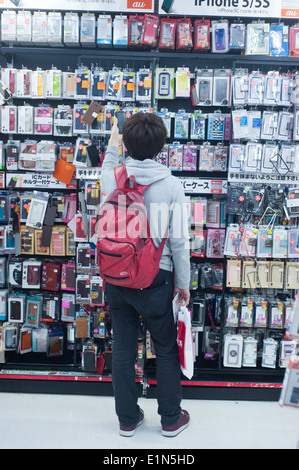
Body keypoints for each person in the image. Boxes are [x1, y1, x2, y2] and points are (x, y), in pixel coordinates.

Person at [100, 112, 191, 438]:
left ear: (126, 142)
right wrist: (184, 284)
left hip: (117, 276)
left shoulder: (112, 177)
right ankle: (170, 419)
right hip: (156, 279)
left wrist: (113, 141)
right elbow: (180, 241)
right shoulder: (171, 185)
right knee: (165, 348)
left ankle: (127, 419)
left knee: (123, 347)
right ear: (161, 147)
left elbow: (108, 163)